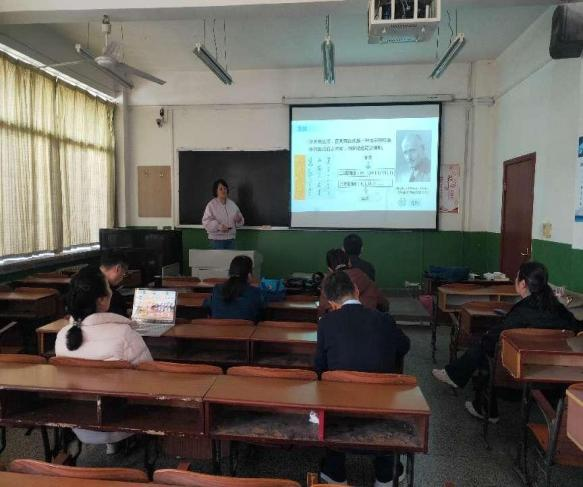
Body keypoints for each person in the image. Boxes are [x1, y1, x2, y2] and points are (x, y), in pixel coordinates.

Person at [432, 261, 583, 421]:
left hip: (514, 369)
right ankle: (456, 376)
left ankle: (483, 407)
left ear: (523, 284)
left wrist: (487, 335)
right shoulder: (558, 309)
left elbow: (496, 338)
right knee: (486, 345)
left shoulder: (522, 311)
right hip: (553, 369)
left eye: (517, 277)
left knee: (484, 348)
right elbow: (576, 327)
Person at [315, 270, 410, 486]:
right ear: (356, 291)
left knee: (329, 394)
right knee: (385, 395)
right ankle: (386, 474)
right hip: (381, 408)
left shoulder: (326, 323)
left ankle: (335, 473)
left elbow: (319, 369)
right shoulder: (384, 320)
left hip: (339, 410)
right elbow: (404, 346)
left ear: (331, 302)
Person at [55, 266, 152, 453]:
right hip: (123, 420)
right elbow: (150, 378)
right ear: (102, 299)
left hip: (77, 420)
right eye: (108, 287)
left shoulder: (62, 335)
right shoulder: (124, 333)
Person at [318, 249, 388, 317]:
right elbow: (384, 305)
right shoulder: (366, 279)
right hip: (369, 322)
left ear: (330, 269)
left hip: (338, 323)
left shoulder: (328, 285)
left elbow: (322, 312)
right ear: (349, 262)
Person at [203, 255, 264, 322]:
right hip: (245, 328)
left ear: (230, 272)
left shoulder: (217, 289)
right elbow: (262, 305)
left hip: (218, 328)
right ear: (249, 275)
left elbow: (206, 304)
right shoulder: (255, 292)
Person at [202, 179, 245, 250]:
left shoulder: (233, 205)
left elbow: (241, 222)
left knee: (231, 257)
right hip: (216, 240)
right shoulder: (211, 205)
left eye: (225, 188)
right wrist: (219, 227)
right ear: (216, 191)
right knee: (218, 258)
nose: (223, 191)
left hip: (231, 239)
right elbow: (206, 222)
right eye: (220, 189)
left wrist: (239, 220)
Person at [99, 250, 129, 317]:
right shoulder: (112, 296)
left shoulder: (82, 278)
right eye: (124, 274)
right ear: (118, 268)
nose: (122, 278)